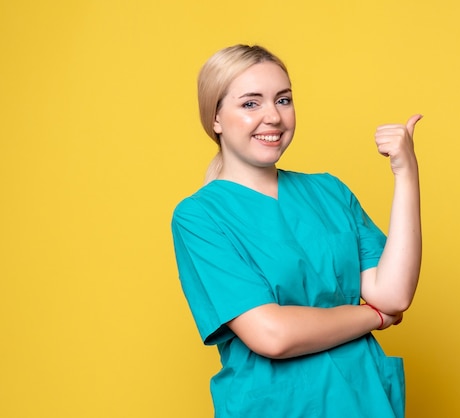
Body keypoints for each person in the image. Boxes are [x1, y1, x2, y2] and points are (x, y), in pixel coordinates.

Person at [171, 44, 422, 418]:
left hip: (364, 399)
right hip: (280, 406)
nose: (273, 116)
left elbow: (393, 294)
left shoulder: (328, 191)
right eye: (250, 104)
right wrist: (374, 317)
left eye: (283, 100)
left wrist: (406, 174)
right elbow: (272, 335)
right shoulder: (199, 217)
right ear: (216, 118)